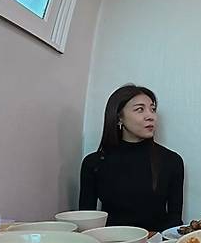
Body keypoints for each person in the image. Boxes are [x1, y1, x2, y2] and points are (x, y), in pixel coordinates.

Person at [79, 84, 184, 233]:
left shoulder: (172, 161)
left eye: (152, 109)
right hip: (110, 241)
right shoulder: (94, 163)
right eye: (140, 109)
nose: (151, 116)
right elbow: (86, 219)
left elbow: (175, 220)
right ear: (119, 117)